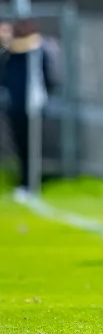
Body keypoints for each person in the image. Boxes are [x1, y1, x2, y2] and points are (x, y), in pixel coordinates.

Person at [0, 19, 58, 200]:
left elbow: (51, 78)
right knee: (21, 145)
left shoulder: (41, 50)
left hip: (34, 106)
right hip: (16, 105)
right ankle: (25, 182)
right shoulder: (10, 55)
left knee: (34, 145)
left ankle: (33, 182)